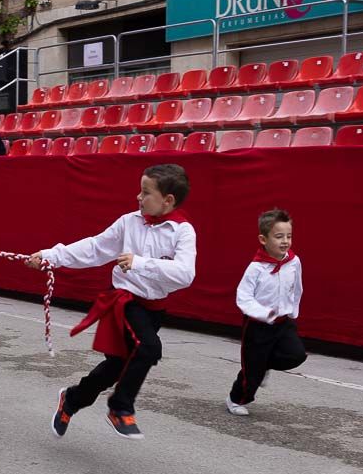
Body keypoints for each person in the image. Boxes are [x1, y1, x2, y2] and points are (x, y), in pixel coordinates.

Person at [28, 164, 196, 439]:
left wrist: (140, 263)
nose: (138, 198)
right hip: (124, 302)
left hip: (153, 309)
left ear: (168, 200)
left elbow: (185, 274)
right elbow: (94, 248)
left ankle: (72, 398)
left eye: (146, 193)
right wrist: (50, 256)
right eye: (140, 191)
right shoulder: (129, 222)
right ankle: (120, 408)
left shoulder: (183, 232)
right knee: (149, 348)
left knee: (117, 367)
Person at [226, 209, 306, 416]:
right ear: (263, 239)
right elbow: (243, 297)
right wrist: (263, 313)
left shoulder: (293, 262)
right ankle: (236, 399)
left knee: (295, 355)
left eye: (289, 236)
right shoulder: (256, 268)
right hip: (258, 325)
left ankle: (265, 365)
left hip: (283, 321)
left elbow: (297, 287)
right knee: (252, 371)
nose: (285, 241)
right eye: (279, 236)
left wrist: (293, 310)